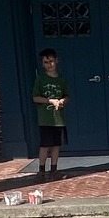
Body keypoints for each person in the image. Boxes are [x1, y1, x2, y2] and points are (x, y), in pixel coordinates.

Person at [32, 47, 68, 181]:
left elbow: (67, 95)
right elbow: (35, 98)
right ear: (42, 64)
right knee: (45, 145)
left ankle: (54, 170)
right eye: (46, 62)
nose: (49, 65)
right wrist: (50, 101)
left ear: (56, 61)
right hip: (45, 119)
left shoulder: (61, 79)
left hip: (58, 119)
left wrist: (62, 101)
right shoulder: (40, 79)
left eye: (51, 61)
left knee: (56, 145)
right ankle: (41, 170)